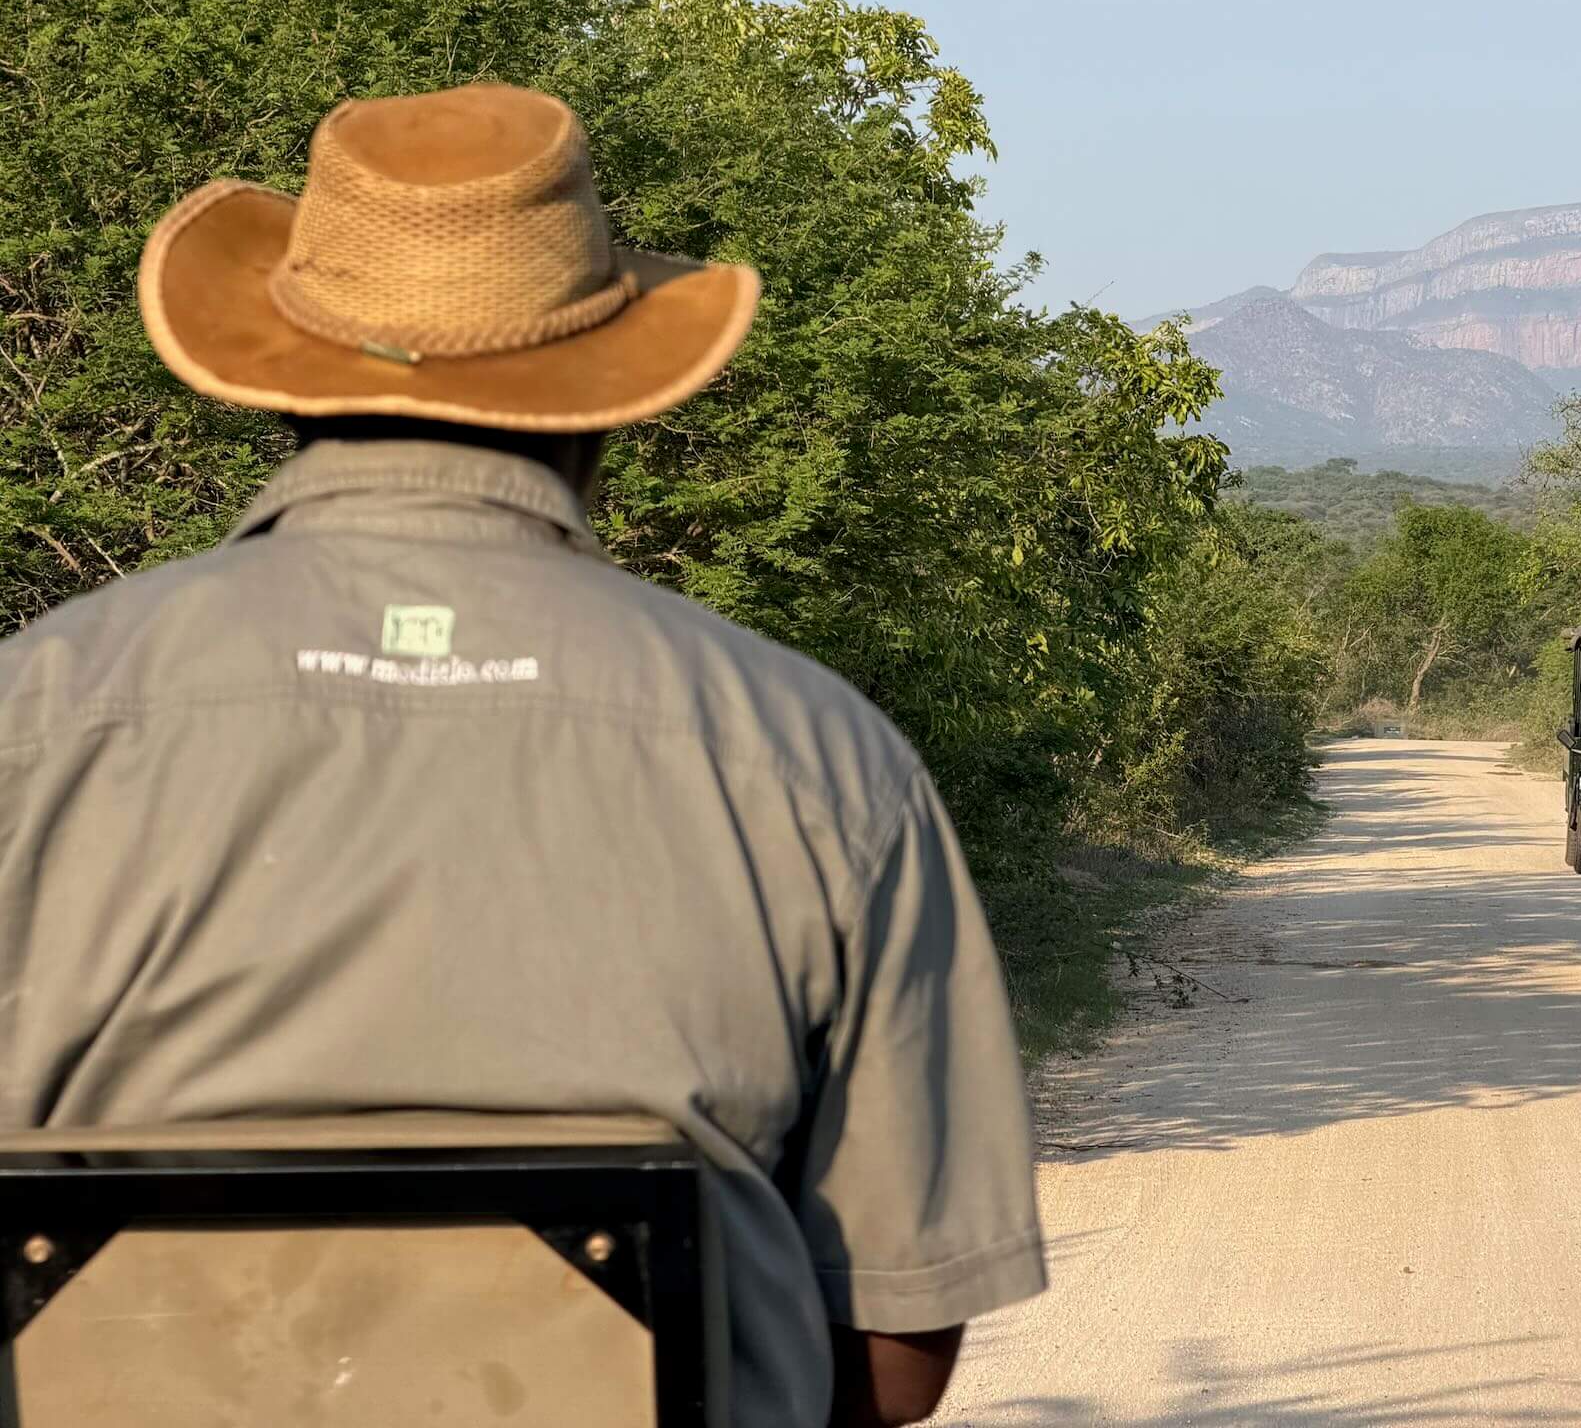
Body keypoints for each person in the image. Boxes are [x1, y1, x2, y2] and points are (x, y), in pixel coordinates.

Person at [0, 85, 1045, 1428]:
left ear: (285, 380)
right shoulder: (814, 755)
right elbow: (899, 1356)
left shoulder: (38, 717)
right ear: (598, 401)